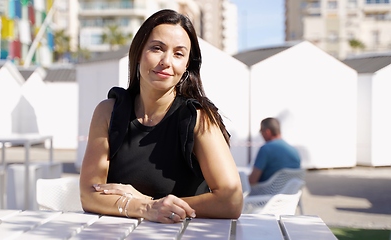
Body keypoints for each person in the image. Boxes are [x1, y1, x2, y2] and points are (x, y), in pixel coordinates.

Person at [79, 9, 243, 223]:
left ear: (186, 66)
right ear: (139, 53)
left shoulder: (198, 119)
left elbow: (231, 201)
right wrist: (147, 207)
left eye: (178, 54)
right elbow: (88, 195)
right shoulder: (108, 112)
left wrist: (152, 204)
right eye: (157, 48)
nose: (166, 61)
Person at [249, 117, 301, 185]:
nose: (261, 135)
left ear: (267, 132)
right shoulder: (295, 151)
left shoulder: (265, 149)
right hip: (290, 193)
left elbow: (252, 180)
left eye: (261, 132)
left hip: (266, 194)